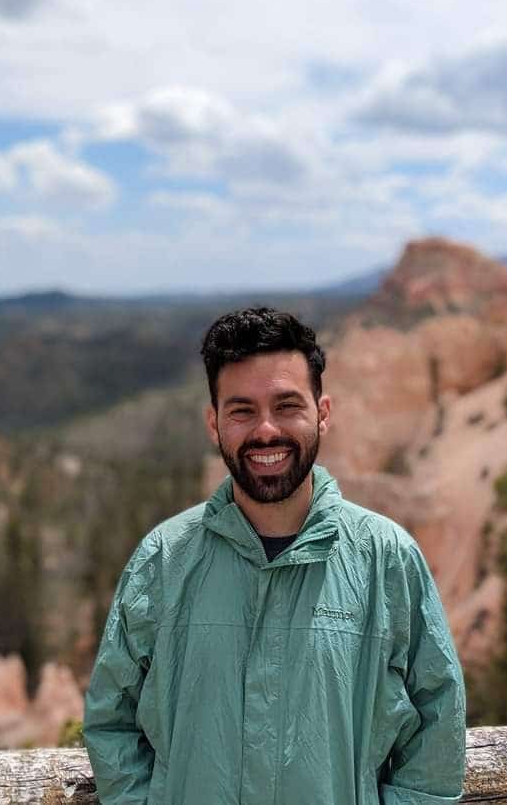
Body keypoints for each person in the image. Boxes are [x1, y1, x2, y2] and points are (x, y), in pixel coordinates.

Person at [83, 307, 466, 804]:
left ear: (322, 413)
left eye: (287, 406)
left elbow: (437, 726)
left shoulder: (386, 559)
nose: (266, 430)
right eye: (242, 410)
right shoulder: (163, 560)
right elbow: (112, 722)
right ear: (213, 423)